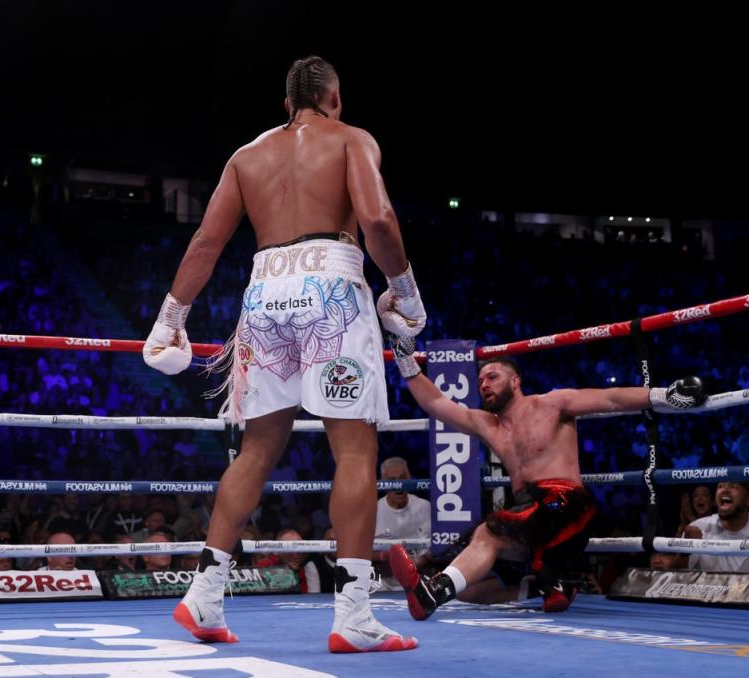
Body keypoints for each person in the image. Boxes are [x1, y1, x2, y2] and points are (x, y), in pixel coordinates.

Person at [142, 55, 424, 653]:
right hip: (332, 288)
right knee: (354, 448)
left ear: (286, 103)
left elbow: (206, 241)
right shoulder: (351, 139)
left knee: (257, 449)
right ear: (336, 98)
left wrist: (170, 319)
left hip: (264, 294)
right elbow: (375, 217)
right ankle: (352, 616)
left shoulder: (246, 156)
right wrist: (405, 291)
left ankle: (204, 596)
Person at [386, 350, 707, 620]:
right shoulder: (488, 425)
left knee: (491, 531)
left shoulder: (551, 404)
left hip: (566, 506)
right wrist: (407, 362)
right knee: (475, 571)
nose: (484, 383)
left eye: (493, 376)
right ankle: (543, 583)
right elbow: (437, 404)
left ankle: (447, 588)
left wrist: (665, 395)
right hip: (527, 515)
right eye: (480, 379)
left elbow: (609, 398)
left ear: (515, 381)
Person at [682, 482, 749, 573]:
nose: (724, 490)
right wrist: (684, 551)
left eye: (733, 486)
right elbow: (676, 576)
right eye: (720, 486)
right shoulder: (698, 528)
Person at [374, 457, 431, 590]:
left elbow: (438, 545)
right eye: (392, 481)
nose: (398, 484)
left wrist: (420, 561)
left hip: (419, 581)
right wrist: (386, 557)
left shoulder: (424, 507)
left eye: (402, 478)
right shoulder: (373, 511)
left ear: (410, 479)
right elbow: (362, 550)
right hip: (383, 585)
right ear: (382, 483)